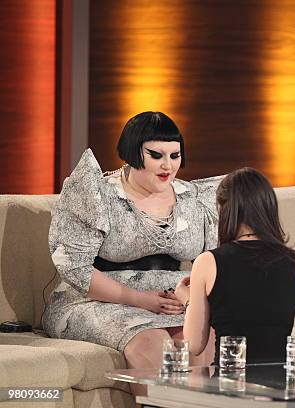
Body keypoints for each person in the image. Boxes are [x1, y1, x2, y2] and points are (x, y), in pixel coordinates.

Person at [42, 112, 223, 381]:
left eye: (175, 156)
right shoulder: (97, 194)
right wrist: (140, 299)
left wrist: (191, 295)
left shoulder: (194, 198)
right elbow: (75, 267)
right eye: (156, 155)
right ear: (132, 152)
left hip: (172, 300)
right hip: (97, 299)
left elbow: (213, 260)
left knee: (198, 339)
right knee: (152, 343)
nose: (168, 166)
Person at [173, 167, 295, 364]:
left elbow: (195, 345)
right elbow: (278, 328)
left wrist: (187, 300)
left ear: (225, 209)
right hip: (279, 387)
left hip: (228, 386)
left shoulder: (208, 262)